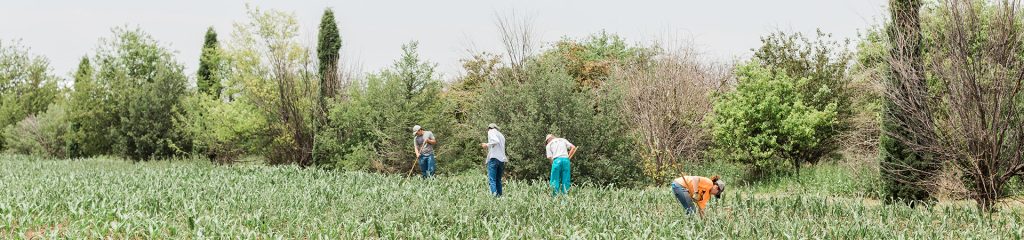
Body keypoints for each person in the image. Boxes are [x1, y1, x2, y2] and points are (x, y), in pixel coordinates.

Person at [479, 123, 507, 197]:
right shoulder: (501, 135)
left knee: (492, 180)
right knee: (498, 180)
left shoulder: (491, 131)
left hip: (494, 158)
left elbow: (495, 141)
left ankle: (494, 197)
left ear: (489, 128)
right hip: (501, 160)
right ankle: (500, 196)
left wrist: (486, 144)